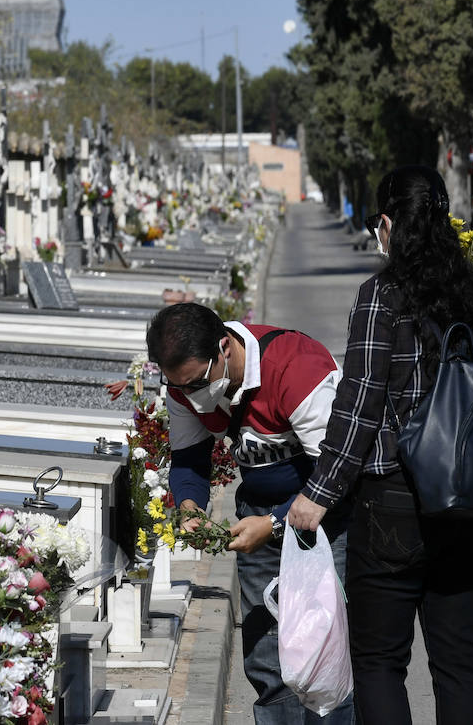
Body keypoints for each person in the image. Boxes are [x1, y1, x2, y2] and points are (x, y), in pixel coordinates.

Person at [289, 165, 473, 725]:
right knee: (459, 661)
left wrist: (318, 493)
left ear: (388, 223)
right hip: (471, 502)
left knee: (381, 663)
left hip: (394, 500)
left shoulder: (382, 296)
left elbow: (359, 404)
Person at [145, 302, 353, 725]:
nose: (191, 394)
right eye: (179, 386)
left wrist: (275, 524)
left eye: (198, 382)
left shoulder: (296, 367)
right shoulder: (185, 384)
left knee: (322, 649)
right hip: (258, 511)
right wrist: (189, 507)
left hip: (326, 514)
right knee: (267, 655)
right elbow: (188, 459)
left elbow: (335, 471)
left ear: (224, 347)